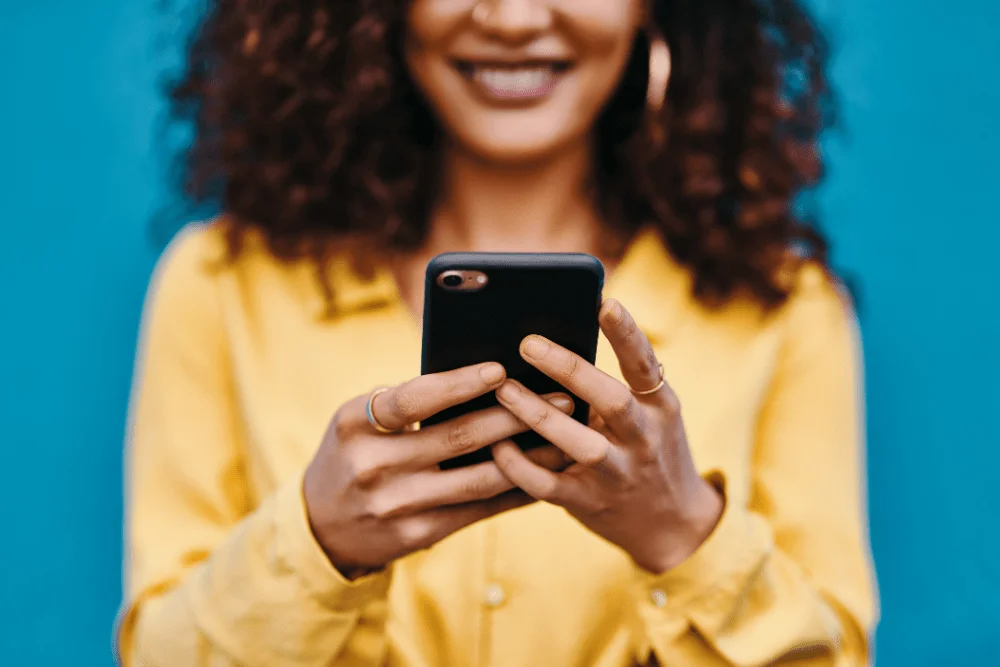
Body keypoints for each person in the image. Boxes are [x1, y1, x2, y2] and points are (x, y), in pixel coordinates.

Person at [116, 0, 878, 665]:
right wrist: (316, 545)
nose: (512, 18)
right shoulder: (219, 283)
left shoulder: (786, 308)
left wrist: (685, 537)